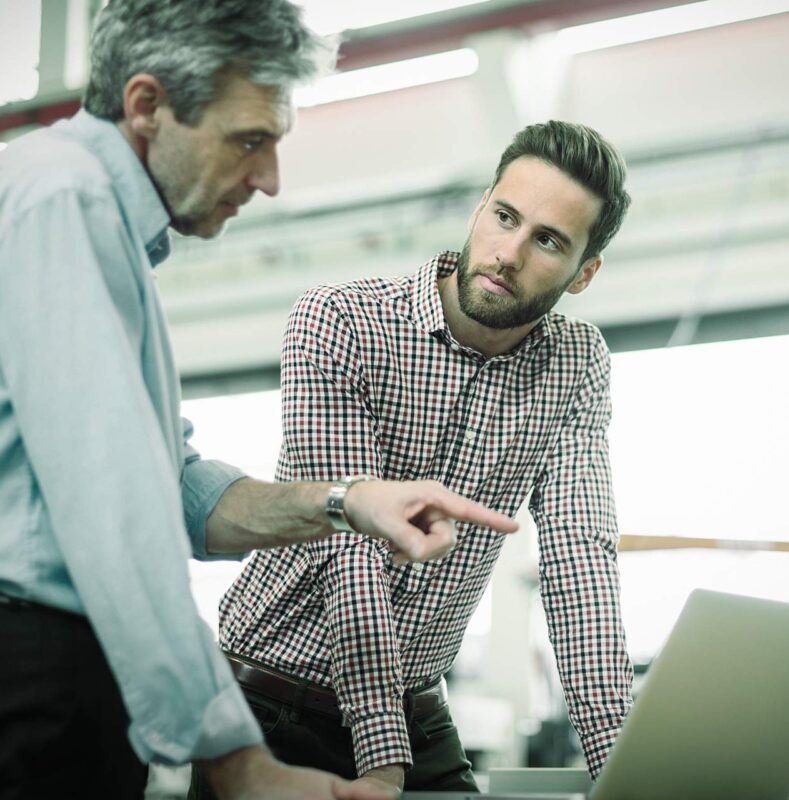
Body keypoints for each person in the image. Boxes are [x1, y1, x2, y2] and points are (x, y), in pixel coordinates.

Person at [0, 2, 518, 799]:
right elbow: (118, 511)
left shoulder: (91, 220)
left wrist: (349, 503)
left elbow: (174, 488)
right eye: (250, 139)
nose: (270, 179)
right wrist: (236, 759)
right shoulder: (63, 200)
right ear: (147, 106)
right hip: (32, 670)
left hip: (64, 675)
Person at [191, 120, 636, 798]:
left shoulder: (574, 364)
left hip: (416, 708)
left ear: (585, 273)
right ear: (479, 207)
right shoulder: (340, 322)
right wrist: (382, 761)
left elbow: (580, 561)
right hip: (268, 708)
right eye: (504, 216)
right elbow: (353, 550)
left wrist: (626, 774)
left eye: (548, 240)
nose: (509, 252)